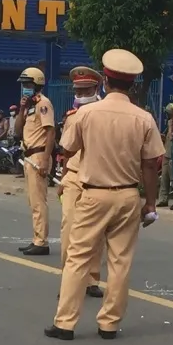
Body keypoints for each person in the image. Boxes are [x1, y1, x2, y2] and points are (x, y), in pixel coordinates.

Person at [45, 49, 165, 341]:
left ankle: (65, 324)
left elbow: (68, 149)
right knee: (120, 261)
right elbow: (152, 164)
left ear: (105, 82)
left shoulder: (85, 114)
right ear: (132, 84)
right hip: (127, 196)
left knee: (78, 258)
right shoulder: (144, 118)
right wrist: (149, 202)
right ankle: (109, 324)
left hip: (93, 194)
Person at [56, 66, 104, 299]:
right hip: (75, 176)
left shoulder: (106, 114)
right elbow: (66, 151)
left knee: (95, 232)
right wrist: (63, 178)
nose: (82, 94)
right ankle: (70, 279)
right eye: (78, 90)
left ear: (96, 88)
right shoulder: (71, 117)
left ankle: (92, 279)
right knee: (69, 228)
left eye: (86, 89)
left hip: (98, 177)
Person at [14, 67, 55, 256]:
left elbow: (50, 132)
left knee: (39, 201)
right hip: (29, 156)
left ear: (37, 85)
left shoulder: (43, 104)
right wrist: (22, 108)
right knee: (33, 201)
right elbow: (17, 130)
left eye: (28, 84)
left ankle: (41, 242)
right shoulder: (29, 106)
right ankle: (36, 238)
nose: (25, 88)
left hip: (39, 156)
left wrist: (46, 160)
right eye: (23, 85)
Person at [157, 103, 173, 207]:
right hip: (166, 153)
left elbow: (171, 137)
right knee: (164, 177)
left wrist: (170, 127)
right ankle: (163, 198)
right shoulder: (170, 122)